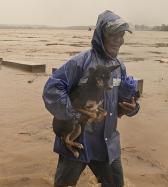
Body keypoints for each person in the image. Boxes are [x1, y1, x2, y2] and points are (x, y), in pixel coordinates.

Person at [42, 10, 140, 187]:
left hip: (107, 143)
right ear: (101, 36)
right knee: (64, 184)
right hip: (78, 140)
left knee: (116, 184)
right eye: (114, 35)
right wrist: (75, 114)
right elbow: (51, 90)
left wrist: (131, 108)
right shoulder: (80, 62)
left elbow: (120, 102)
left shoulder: (119, 67)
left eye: (122, 35)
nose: (119, 40)